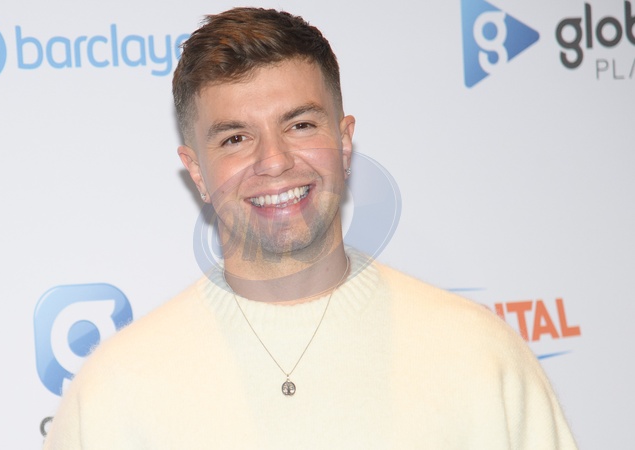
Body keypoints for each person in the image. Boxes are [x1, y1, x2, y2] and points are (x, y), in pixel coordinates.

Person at [44, 7, 578, 449]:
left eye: (300, 125)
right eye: (235, 139)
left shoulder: (479, 356)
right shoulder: (115, 391)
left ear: (344, 143)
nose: (274, 161)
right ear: (197, 172)